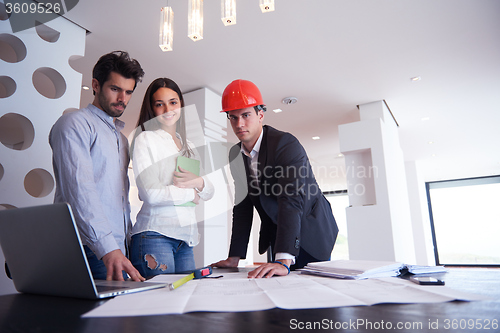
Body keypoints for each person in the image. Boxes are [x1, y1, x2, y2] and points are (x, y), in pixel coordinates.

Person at [212, 79, 339, 278]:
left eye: (246, 115)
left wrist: (283, 259)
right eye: (233, 117)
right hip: (277, 232)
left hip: (310, 231)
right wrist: (235, 256)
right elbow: (243, 205)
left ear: (260, 114)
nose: (239, 124)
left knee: (313, 297)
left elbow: (290, 199)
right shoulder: (235, 154)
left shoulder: (285, 144)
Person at [49, 51, 145, 281]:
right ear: (95, 85)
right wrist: (108, 249)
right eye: (115, 89)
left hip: (118, 249)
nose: (123, 98)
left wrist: (125, 246)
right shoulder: (74, 124)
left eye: (129, 91)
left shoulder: (121, 139)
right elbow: (80, 191)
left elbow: (120, 201)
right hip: (89, 249)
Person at [129, 78, 214, 278]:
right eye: (160, 104)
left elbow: (209, 190)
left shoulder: (190, 146)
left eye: (173, 102)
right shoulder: (145, 139)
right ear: (152, 108)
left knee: (183, 304)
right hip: (154, 235)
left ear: (181, 105)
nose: (168, 109)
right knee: (159, 305)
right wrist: (192, 194)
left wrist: (199, 183)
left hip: (186, 240)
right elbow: (150, 194)